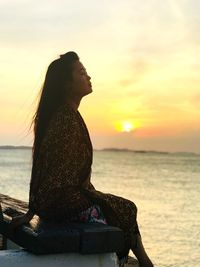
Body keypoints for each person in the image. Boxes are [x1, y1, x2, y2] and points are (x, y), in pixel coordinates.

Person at [10, 52, 154, 267]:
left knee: (120, 208)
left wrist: (34, 208)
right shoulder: (66, 120)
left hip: (55, 203)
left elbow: (44, 169)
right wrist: (34, 209)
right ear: (67, 84)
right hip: (62, 205)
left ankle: (140, 262)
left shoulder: (63, 115)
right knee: (125, 209)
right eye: (82, 73)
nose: (89, 77)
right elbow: (56, 175)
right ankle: (141, 263)